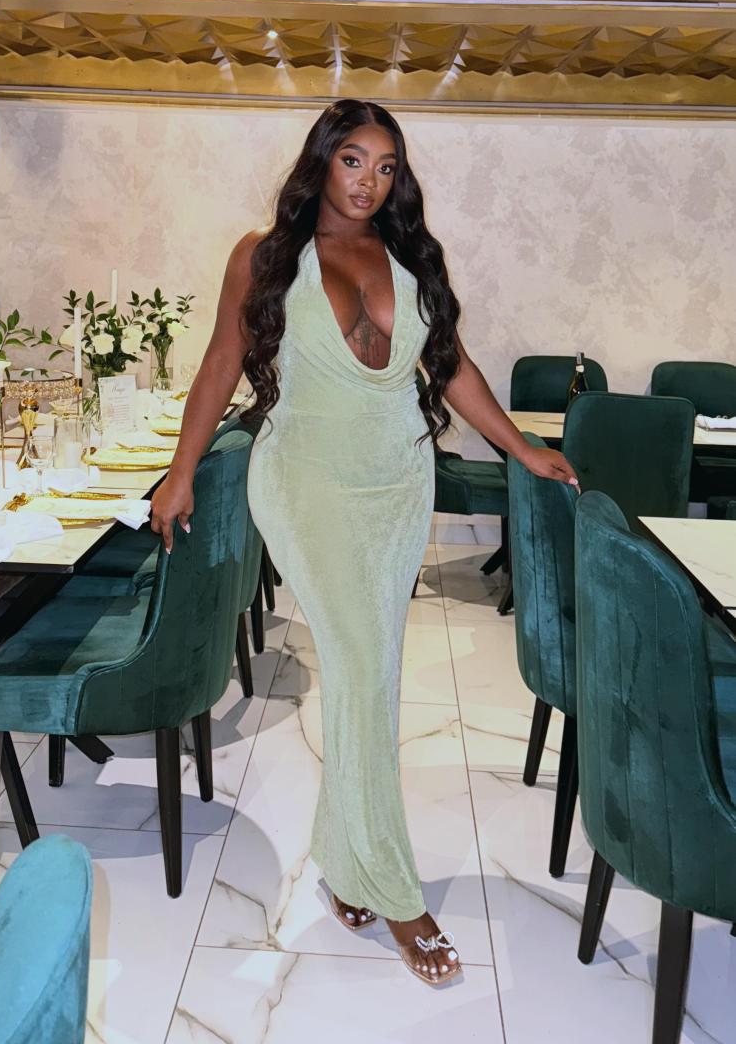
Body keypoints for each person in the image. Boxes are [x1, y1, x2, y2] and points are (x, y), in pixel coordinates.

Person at [150, 99, 577, 987]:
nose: (368, 182)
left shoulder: (413, 257)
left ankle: (345, 858)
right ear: (322, 161)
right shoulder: (267, 256)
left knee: (368, 671)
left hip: (396, 488)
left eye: (385, 167)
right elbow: (222, 361)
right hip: (305, 484)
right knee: (360, 668)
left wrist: (521, 447)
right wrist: (181, 470)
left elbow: (449, 366)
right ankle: (392, 888)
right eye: (353, 160)